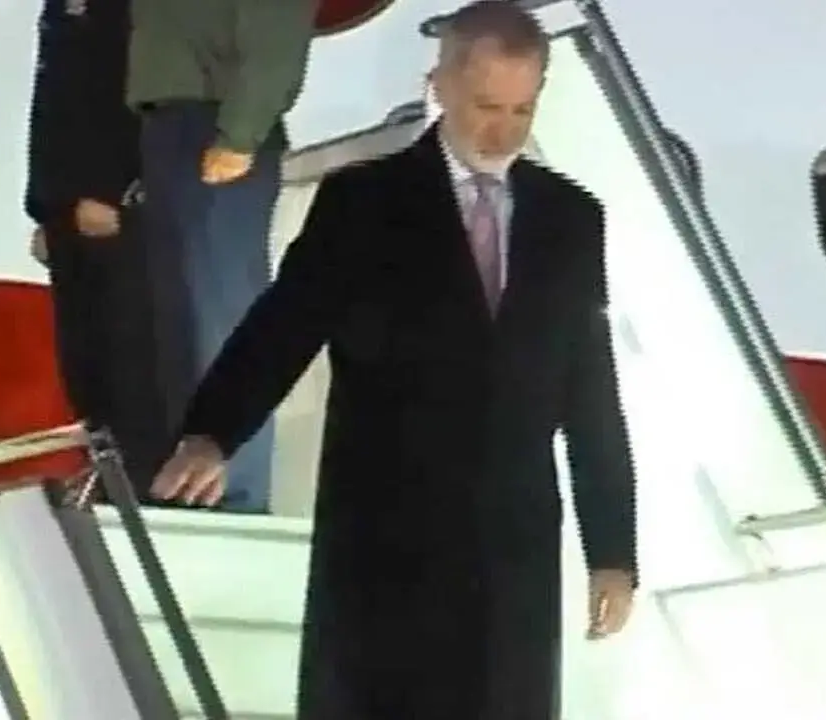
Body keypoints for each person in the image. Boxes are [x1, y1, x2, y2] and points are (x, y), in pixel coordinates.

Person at [151, 2, 639, 717]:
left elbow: (589, 388)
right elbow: (284, 325)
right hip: (384, 539)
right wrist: (214, 430)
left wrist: (613, 550)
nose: (501, 130)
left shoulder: (572, 217)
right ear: (437, 83)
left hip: (512, 555)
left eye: (521, 110)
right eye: (484, 106)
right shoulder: (364, 200)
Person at [125, 0, 321, 513]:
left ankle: (237, 499)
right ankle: (192, 494)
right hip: (172, 125)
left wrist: (241, 133)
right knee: (181, 331)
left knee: (222, 323)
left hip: (217, 126)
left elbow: (277, 36)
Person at [24, 0, 168, 489]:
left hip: (115, 212)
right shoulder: (59, 8)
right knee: (83, 366)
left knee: (129, 364)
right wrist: (45, 207)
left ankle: (139, 493)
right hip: (65, 213)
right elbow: (51, 108)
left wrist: (120, 194)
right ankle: (105, 480)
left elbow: (144, 95)